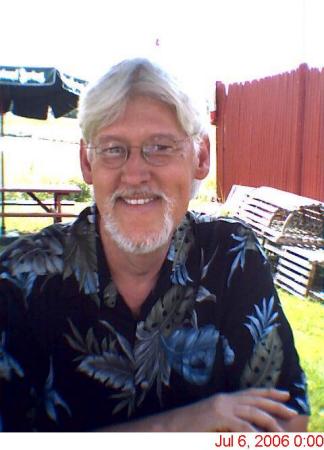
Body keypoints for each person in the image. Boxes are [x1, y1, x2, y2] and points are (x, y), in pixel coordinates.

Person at [0, 58, 310, 432]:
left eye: (160, 147)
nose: (134, 174)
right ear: (87, 161)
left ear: (201, 157)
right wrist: (184, 425)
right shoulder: (21, 277)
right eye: (113, 149)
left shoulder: (231, 256)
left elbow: (286, 422)